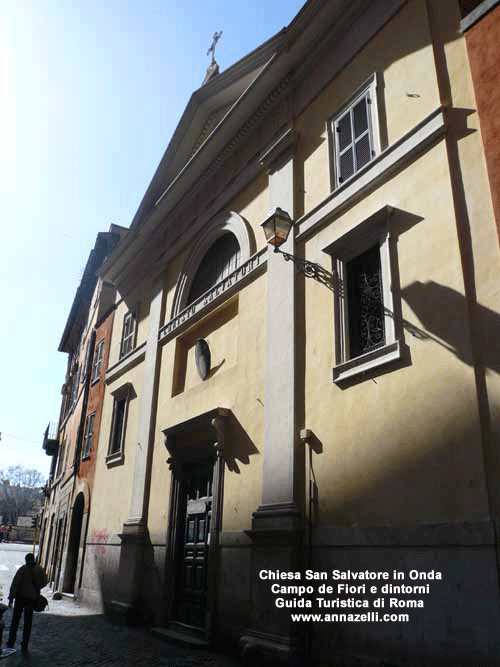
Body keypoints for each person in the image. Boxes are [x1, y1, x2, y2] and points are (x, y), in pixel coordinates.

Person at [6, 553, 47, 651]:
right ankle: (25, 643)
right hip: (31, 599)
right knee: (28, 622)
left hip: (20, 598)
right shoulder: (39, 570)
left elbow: (15, 583)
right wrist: (37, 588)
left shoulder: (22, 569)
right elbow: (45, 581)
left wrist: (11, 597)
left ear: (26, 560)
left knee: (15, 620)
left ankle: (11, 641)